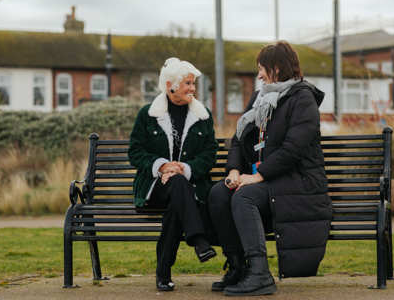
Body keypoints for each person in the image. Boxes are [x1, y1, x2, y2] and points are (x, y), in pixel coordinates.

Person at [208, 41, 333, 296]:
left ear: (277, 68)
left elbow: (293, 149)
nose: (259, 75)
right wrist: (233, 171)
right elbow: (239, 139)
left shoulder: (302, 98)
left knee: (244, 197)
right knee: (219, 193)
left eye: (262, 68)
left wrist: (258, 176)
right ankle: (237, 267)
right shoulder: (260, 98)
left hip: (297, 182)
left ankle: (260, 274)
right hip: (268, 180)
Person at [129, 57, 218, 292]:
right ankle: (199, 241)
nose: (192, 88)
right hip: (155, 187)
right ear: (170, 84)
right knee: (178, 187)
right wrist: (161, 167)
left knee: (176, 203)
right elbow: (135, 153)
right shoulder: (148, 114)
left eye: (193, 83)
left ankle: (163, 272)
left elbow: (209, 155)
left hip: (187, 188)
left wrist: (183, 169)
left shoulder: (203, 116)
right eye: (187, 83)